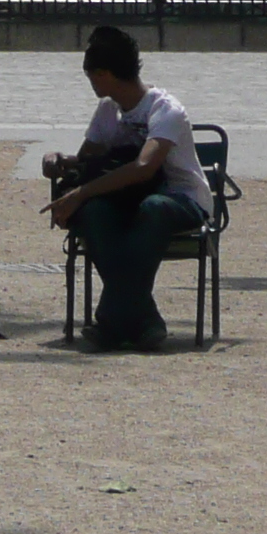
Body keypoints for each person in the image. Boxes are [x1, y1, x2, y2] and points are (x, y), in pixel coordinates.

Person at [43, 24, 212, 352]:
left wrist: (81, 192)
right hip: (127, 200)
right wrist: (60, 161)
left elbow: (144, 167)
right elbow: (87, 161)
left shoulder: (166, 109)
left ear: (104, 74)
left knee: (153, 210)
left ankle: (110, 319)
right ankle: (144, 319)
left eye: (90, 74)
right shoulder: (108, 111)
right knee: (94, 212)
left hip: (180, 199)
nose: (90, 82)